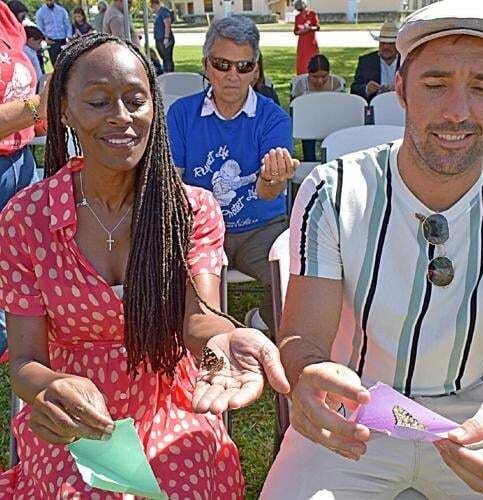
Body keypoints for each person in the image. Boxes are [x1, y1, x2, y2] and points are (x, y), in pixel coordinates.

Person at [261, 0, 483, 498]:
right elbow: (301, 337)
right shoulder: (333, 191)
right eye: (435, 84)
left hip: (476, 421)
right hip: (355, 413)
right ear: (400, 89)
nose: (457, 111)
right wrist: (306, 374)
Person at [0, 32, 290, 497]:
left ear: (154, 107)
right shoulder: (26, 218)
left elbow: (198, 320)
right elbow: (25, 360)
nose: (121, 117)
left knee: (179, 486)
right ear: (66, 112)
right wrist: (49, 386)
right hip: (74, 414)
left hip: (167, 398)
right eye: (97, 101)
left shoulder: (189, 209)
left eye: (136, 100)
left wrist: (225, 340)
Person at [167, 16, 297, 335]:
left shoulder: (273, 118)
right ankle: (201, 340)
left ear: (255, 70)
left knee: (294, 280)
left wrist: (272, 178)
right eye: (222, 64)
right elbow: (173, 183)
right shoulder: (181, 114)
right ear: (206, 66)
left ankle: (261, 321)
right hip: (199, 228)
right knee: (177, 285)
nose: (232, 76)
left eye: (243, 66)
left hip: (261, 229)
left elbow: (269, 194)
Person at [0, 2, 48, 358]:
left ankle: (25, 323)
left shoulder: (6, 15)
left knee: (26, 251)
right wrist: (37, 107)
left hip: (20, 157)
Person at [291, 54, 345, 162]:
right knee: (308, 140)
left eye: (324, 76)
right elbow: (297, 109)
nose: (320, 81)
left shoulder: (336, 84)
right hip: (309, 122)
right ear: (309, 74)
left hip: (332, 121)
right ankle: (309, 161)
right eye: (315, 77)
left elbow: (340, 107)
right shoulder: (301, 85)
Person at [350, 20, 400, 102]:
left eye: (390, 44)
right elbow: (354, 89)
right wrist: (367, 89)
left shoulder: (406, 61)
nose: (385, 48)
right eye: (382, 43)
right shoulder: (366, 61)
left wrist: (399, 89)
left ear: (398, 45)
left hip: (400, 106)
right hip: (375, 105)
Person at [35, 0, 72, 67]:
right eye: (47, 1)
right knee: (56, 65)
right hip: (52, 42)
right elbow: (40, 29)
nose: (49, 2)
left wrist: (69, 36)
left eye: (51, 0)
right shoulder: (40, 13)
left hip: (63, 41)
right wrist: (45, 39)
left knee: (67, 63)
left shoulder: (62, 10)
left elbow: (67, 24)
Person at [294, 0, 319, 75]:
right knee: (302, 62)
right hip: (302, 44)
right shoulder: (297, 17)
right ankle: (301, 76)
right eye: (299, 11)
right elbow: (295, 31)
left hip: (311, 43)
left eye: (302, 10)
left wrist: (310, 28)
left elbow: (317, 27)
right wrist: (300, 32)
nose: (301, 12)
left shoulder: (312, 14)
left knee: (313, 60)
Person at [150, 0, 175, 73]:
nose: (152, 8)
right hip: (159, 38)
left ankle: (169, 73)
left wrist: (166, 38)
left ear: (155, 4)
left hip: (165, 39)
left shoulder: (164, 11)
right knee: (164, 58)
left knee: (167, 58)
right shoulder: (158, 13)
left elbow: (167, 24)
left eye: (152, 5)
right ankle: (166, 72)